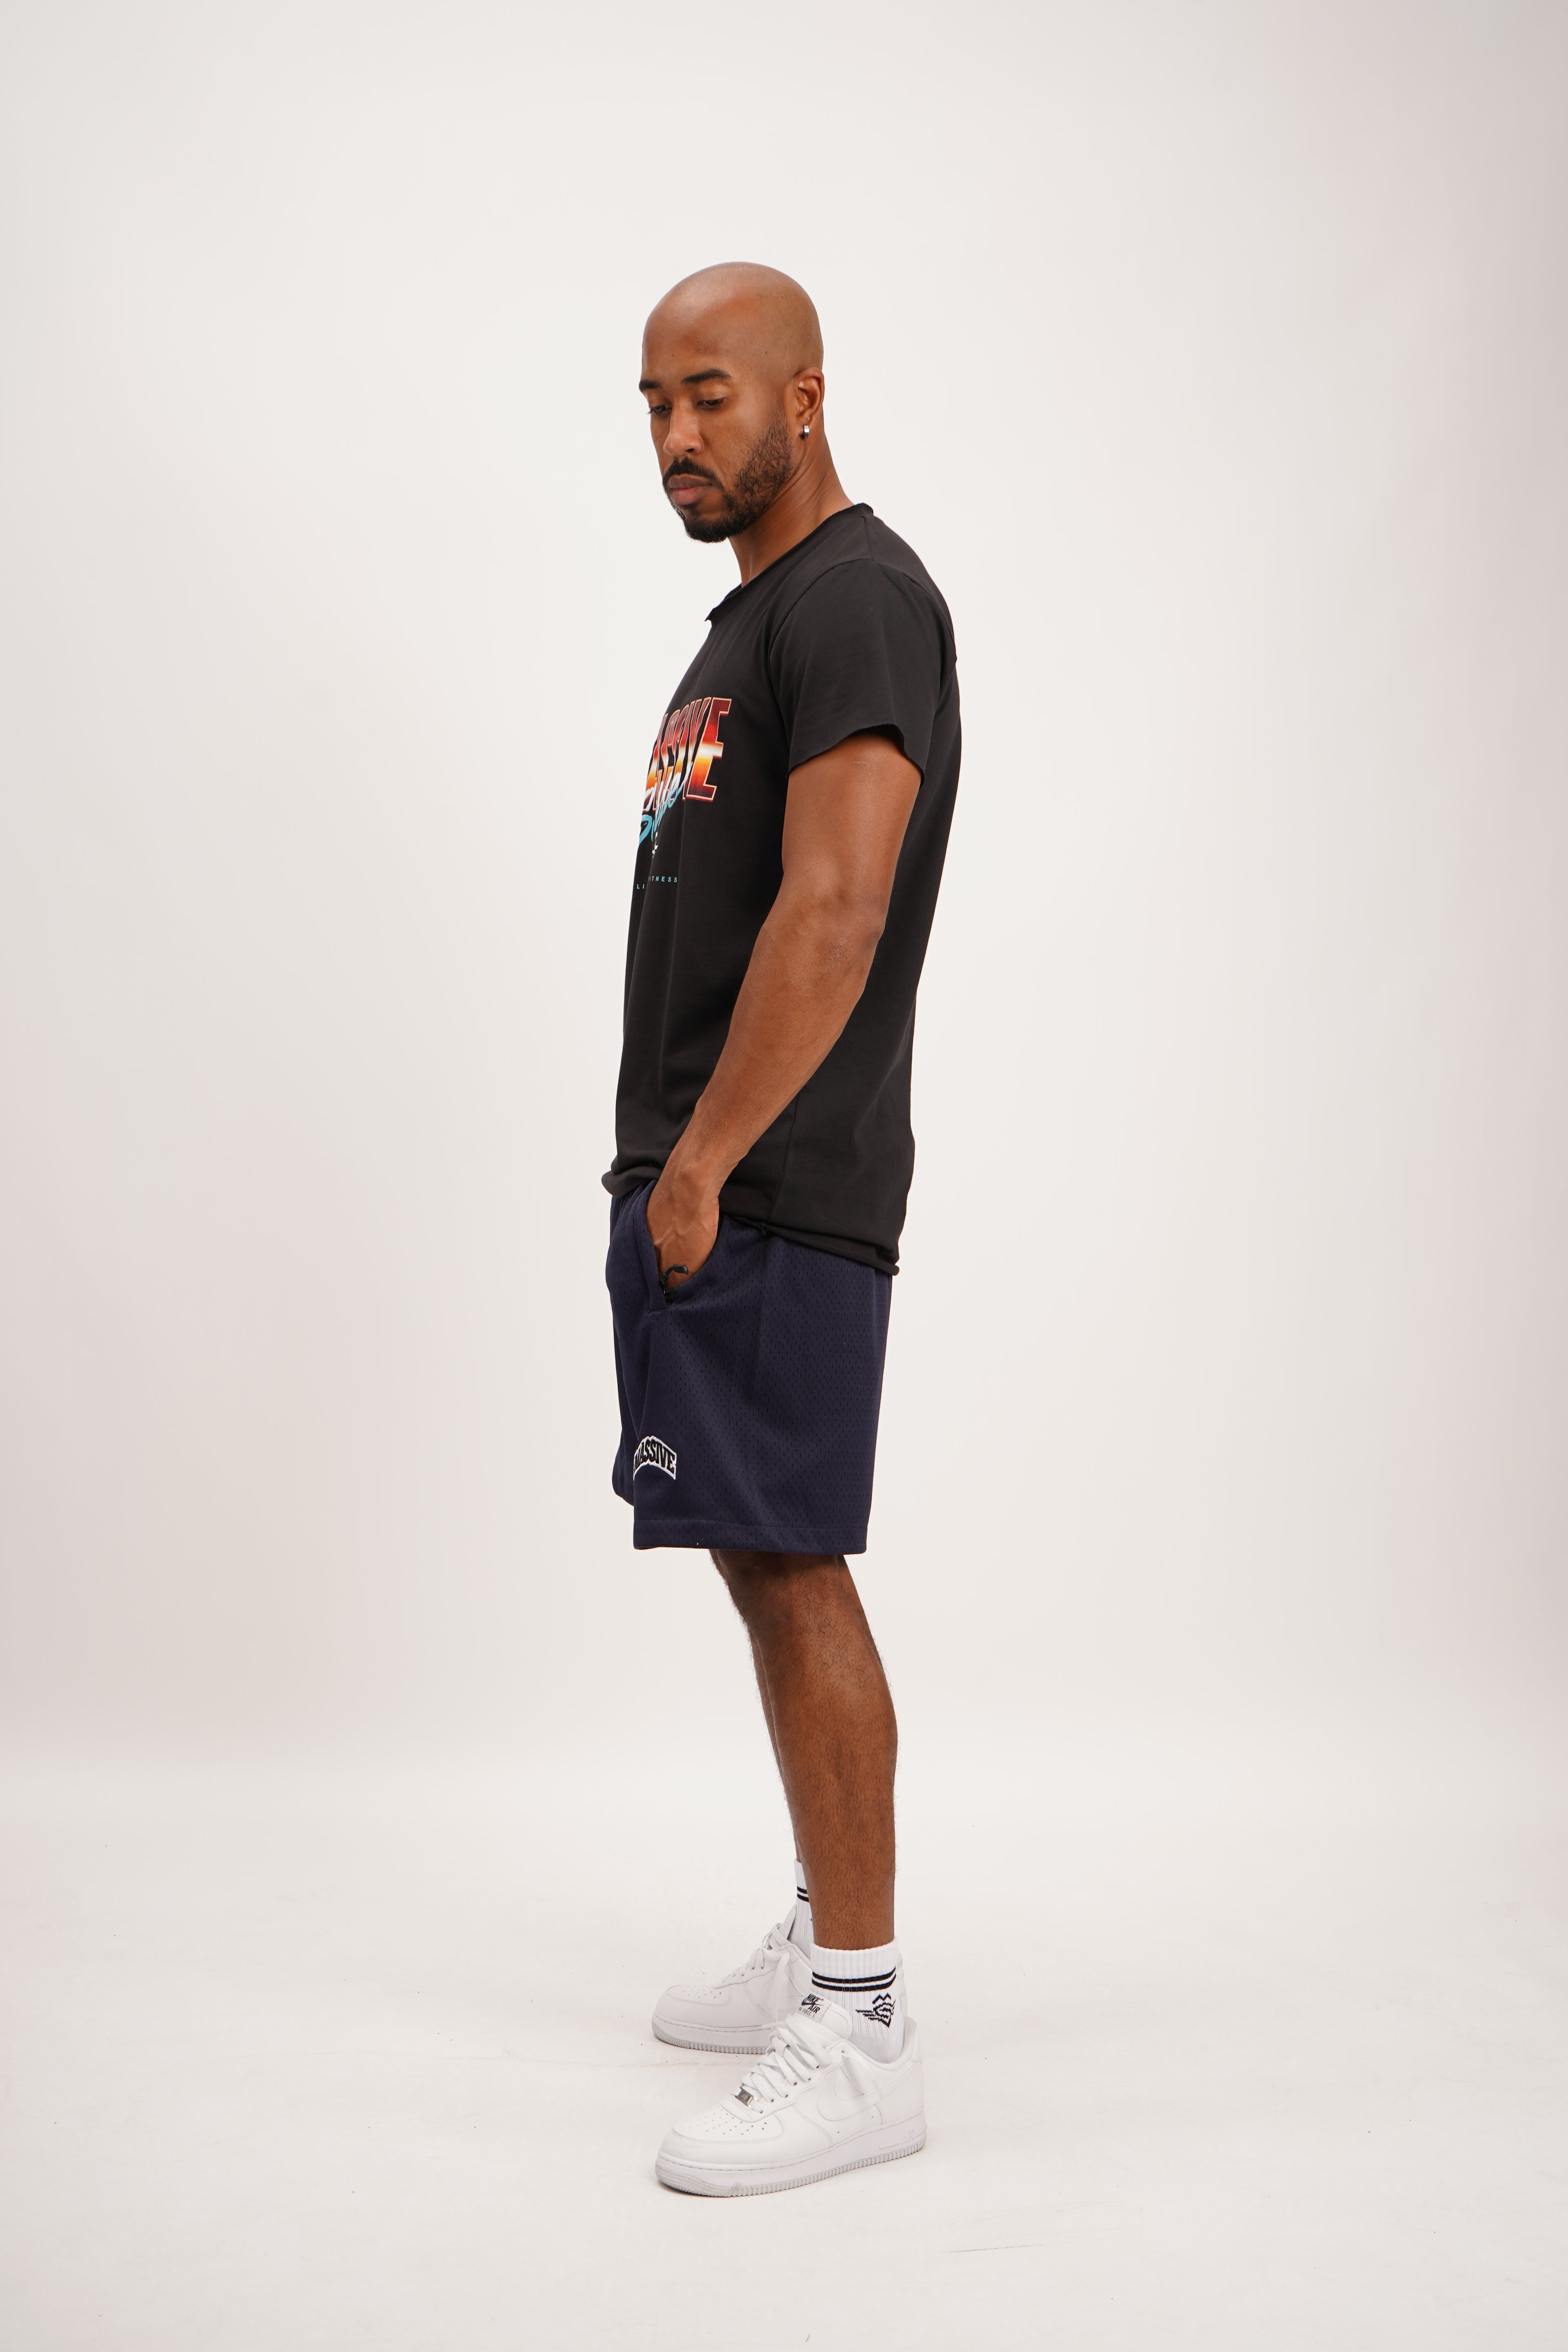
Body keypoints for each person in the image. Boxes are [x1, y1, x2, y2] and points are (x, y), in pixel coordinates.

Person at [604, 262, 960, 2196]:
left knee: (795, 1562)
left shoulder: (855, 600)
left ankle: (866, 2023)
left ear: (805, 397)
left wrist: (706, 1160)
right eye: (655, 405)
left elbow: (835, 912)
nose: (678, 435)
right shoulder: (753, 621)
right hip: (717, 1175)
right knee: (760, 1554)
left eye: (713, 396)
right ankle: (833, 1920)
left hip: (771, 1182)